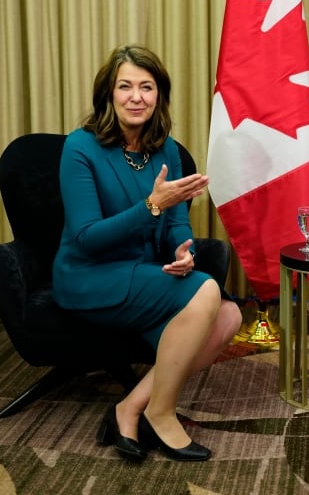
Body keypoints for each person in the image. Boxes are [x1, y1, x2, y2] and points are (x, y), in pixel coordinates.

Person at [52, 44, 243, 462]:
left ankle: (131, 406)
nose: (136, 96)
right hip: (88, 274)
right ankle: (161, 412)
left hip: (141, 272)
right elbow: (86, 238)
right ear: (109, 94)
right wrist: (150, 207)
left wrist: (183, 250)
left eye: (146, 87)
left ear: (159, 96)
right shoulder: (80, 148)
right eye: (125, 86)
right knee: (210, 293)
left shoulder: (166, 149)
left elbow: (176, 224)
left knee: (229, 316)